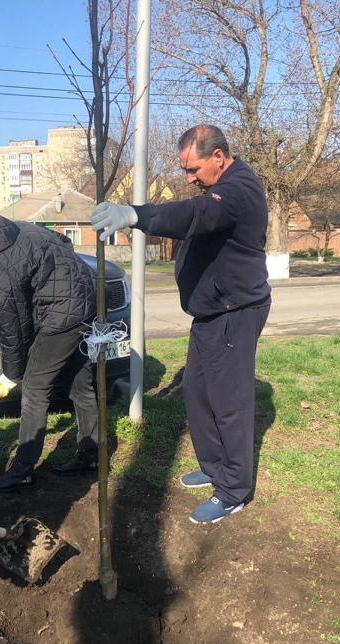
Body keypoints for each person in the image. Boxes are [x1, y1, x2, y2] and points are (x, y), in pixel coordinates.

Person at [91, 124, 271, 524]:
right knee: (196, 389)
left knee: (229, 401)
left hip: (233, 312)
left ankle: (234, 490)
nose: (189, 178)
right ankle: (214, 467)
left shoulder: (239, 190)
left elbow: (194, 215)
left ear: (219, 158)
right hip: (212, 313)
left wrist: (135, 215)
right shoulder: (218, 187)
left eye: (193, 169)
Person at [0, 206, 98, 492]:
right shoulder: (16, 227)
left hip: (60, 314)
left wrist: (11, 371)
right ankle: (92, 455)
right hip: (86, 297)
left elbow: (14, 326)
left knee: (35, 389)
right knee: (79, 385)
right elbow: (64, 243)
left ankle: (22, 470)